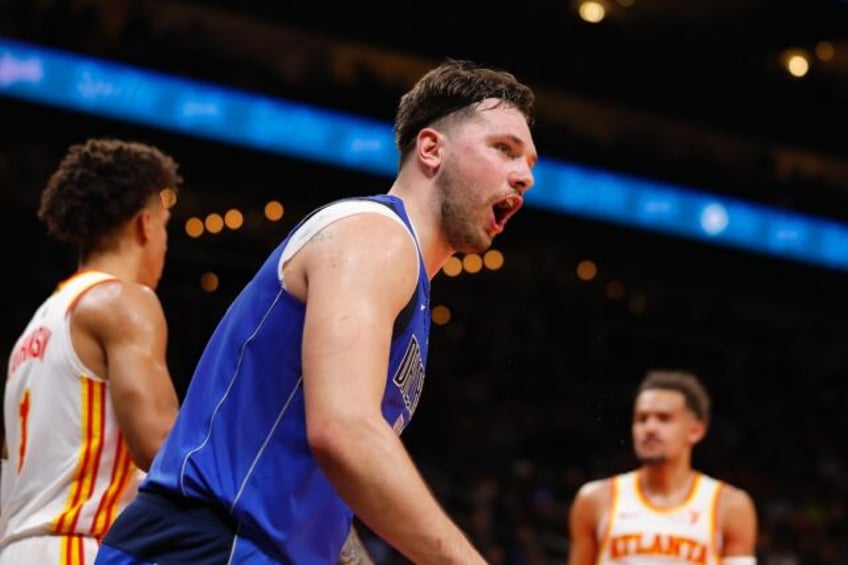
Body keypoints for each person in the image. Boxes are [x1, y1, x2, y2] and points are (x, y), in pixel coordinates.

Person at [95, 58, 538, 564]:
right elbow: (343, 432)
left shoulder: (402, 272)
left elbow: (320, 480)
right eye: (504, 149)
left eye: (529, 163)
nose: (523, 176)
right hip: (208, 545)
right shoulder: (375, 234)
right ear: (431, 149)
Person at [0, 137, 183, 564]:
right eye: (166, 225)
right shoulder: (125, 301)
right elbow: (161, 447)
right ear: (146, 225)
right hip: (78, 547)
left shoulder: (38, 326)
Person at [567, 369, 758, 565]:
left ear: (695, 430)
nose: (649, 428)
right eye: (641, 419)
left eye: (664, 418)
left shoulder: (731, 505)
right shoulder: (594, 499)